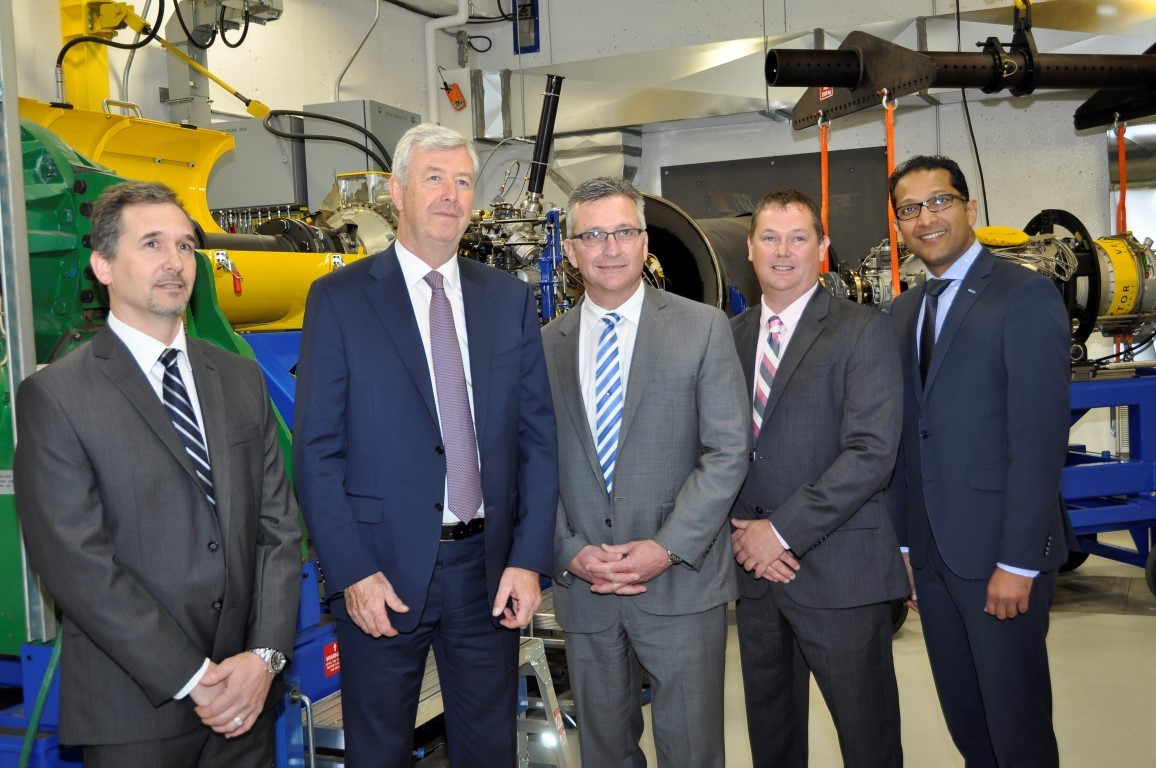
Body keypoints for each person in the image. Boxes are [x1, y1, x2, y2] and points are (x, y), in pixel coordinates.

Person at [293, 123, 558, 767]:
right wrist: (352, 572)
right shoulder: (339, 300)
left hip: (487, 572)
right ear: (397, 192)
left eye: (462, 181)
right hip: (382, 574)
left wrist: (527, 559)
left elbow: (537, 441)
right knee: (379, 751)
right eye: (434, 178)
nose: (450, 194)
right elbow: (316, 453)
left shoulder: (507, 300)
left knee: (489, 752)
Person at [14, 180, 301, 767]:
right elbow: (77, 564)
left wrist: (263, 658)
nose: (175, 261)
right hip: (134, 711)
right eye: (151, 244)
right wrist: (193, 677)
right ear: (102, 265)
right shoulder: (58, 396)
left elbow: (278, 530)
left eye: (185, 245)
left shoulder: (239, 378)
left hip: (247, 701)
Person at [542, 176, 749, 768]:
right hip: (586, 587)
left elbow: (727, 451)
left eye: (624, 232)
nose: (610, 248)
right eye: (593, 235)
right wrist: (567, 551)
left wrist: (666, 547)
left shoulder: (702, 327)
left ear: (645, 242)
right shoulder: (545, 344)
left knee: (691, 751)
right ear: (571, 251)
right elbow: (530, 464)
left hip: (680, 583)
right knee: (604, 753)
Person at [888, 155, 1071, 767]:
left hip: (999, 556)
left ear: (969, 209)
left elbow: (1038, 439)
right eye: (909, 209)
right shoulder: (905, 311)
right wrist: (905, 548)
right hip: (932, 558)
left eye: (939, 201)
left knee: (1017, 730)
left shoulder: (1024, 295)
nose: (926, 218)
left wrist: (1019, 561)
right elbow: (907, 438)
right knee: (967, 723)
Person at [729, 188, 908, 767]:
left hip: (841, 576)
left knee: (868, 742)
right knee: (773, 744)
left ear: (822, 247)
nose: (783, 252)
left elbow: (871, 453)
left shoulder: (863, 329)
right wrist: (740, 535)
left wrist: (779, 532)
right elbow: (717, 449)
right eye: (769, 238)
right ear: (750, 249)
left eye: (798, 238)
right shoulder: (729, 336)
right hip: (755, 579)